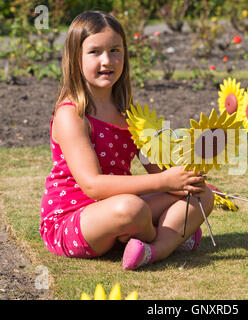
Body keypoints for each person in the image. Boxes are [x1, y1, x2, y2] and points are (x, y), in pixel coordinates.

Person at [40, 10, 214, 270]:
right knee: (132, 209)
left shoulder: (128, 112)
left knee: (203, 195)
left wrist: (184, 178)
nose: (107, 60)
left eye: (115, 50)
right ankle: (170, 236)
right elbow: (93, 186)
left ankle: (154, 250)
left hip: (121, 206)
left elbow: (159, 172)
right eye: (95, 52)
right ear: (75, 58)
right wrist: (165, 181)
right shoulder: (72, 114)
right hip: (76, 219)